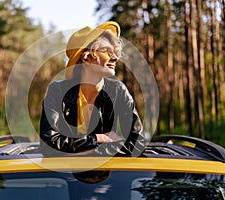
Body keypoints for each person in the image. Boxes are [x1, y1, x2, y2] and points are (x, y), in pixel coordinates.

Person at [39, 21, 145, 156]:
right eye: (107, 51)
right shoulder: (57, 92)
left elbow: (138, 144)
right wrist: (98, 139)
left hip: (107, 175)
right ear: (86, 57)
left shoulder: (118, 90)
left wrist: (90, 151)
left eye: (115, 52)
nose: (115, 58)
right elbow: (49, 145)